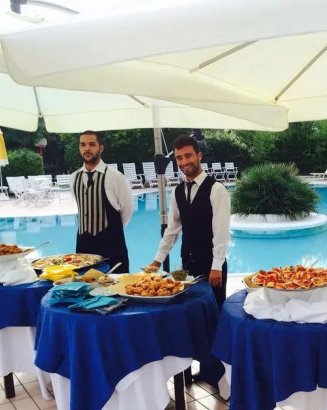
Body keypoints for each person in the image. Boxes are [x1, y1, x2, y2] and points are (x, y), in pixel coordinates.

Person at [148, 135, 231, 308]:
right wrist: (157, 260)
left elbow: (221, 232)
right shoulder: (177, 191)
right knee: (191, 311)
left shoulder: (217, 189)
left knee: (214, 311)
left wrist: (217, 265)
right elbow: (172, 229)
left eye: (188, 155)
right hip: (187, 266)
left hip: (212, 267)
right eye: (179, 158)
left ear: (199, 156)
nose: (184, 161)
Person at [70, 131, 133, 273]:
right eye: (83, 145)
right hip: (83, 251)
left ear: (101, 148)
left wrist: (111, 232)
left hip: (112, 250)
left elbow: (127, 212)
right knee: (84, 285)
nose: (87, 148)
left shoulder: (116, 177)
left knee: (116, 286)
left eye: (92, 144)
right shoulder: (73, 178)